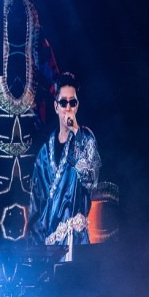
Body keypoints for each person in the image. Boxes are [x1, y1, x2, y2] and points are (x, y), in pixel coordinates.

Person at [29, 72, 102, 253]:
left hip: (76, 242)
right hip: (49, 246)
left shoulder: (85, 138)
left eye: (72, 102)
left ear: (77, 106)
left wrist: (76, 130)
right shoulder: (45, 153)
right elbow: (36, 205)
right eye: (63, 103)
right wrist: (35, 250)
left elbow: (91, 179)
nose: (68, 108)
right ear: (56, 106)